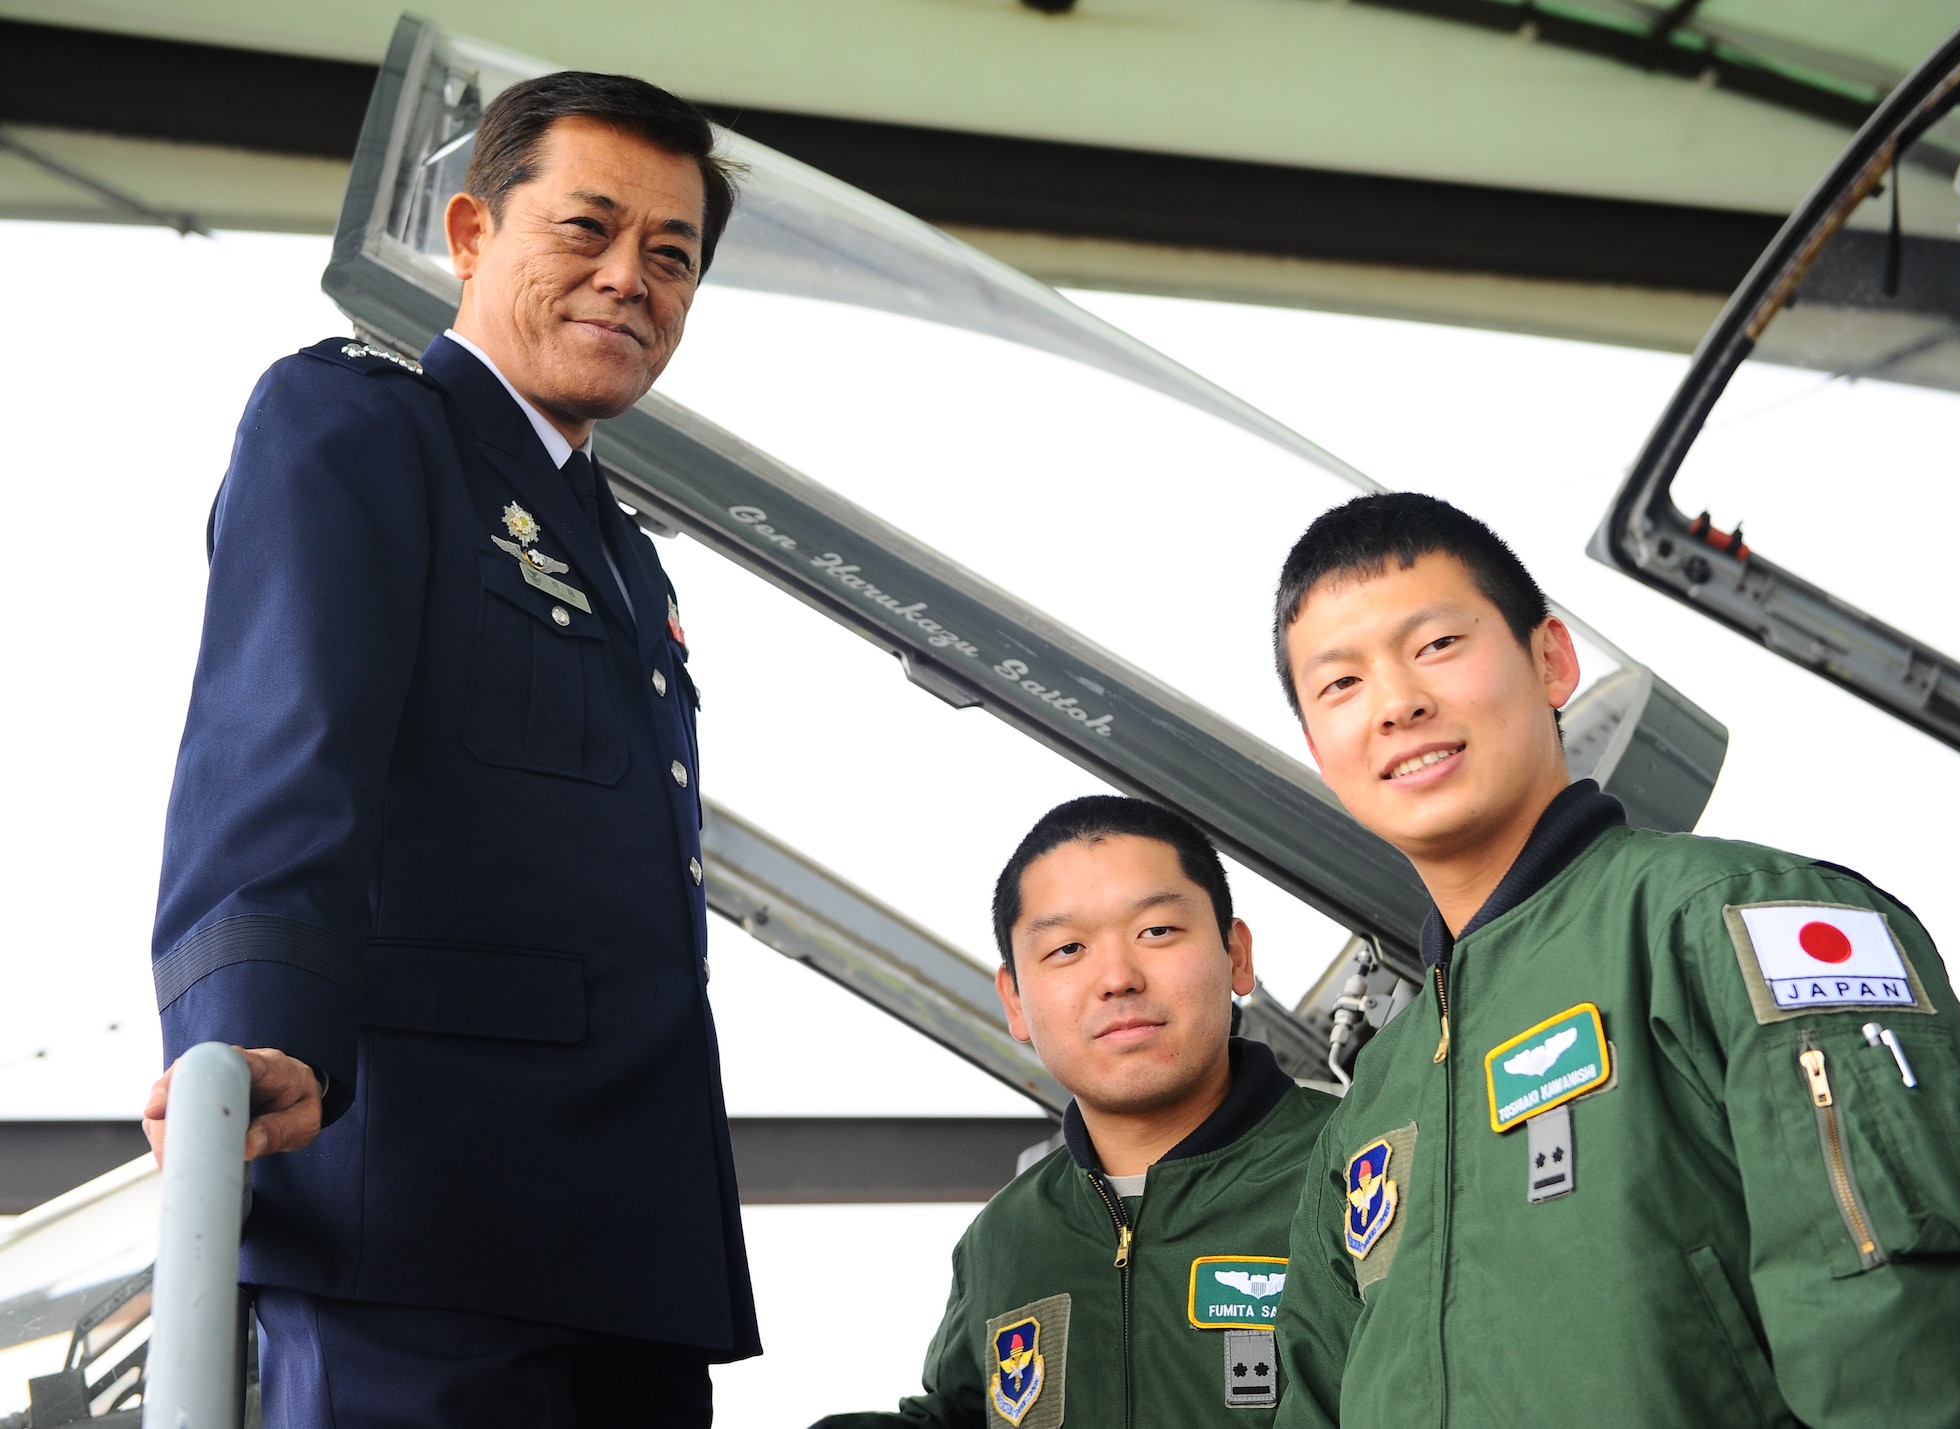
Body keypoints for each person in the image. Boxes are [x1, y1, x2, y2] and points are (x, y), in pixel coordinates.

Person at [143, 71, 756, 1426]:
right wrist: (254, 1035)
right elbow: (280, 740)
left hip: (626, 1244)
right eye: (585, 231)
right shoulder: (362, 429)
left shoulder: (619, 546)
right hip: (425, 1215)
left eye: (672, 255)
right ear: (472, 234)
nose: (629, 280)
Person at [1268, 492, 1960, 1427]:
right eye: (1340, 684)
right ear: (1320, 752)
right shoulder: (1374, 1097)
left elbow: (1912, 1347)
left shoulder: (1740, 926)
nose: (1398, 702)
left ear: (1551, 660)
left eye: (1437, 646)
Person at [815, 796, 1337, 1428]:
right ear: (1014, 1000)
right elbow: (963, 1415)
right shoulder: (1005, 1237)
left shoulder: (1356, 1166)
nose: (1117, 978)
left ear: (1238, 956)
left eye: (1157, 931)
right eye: (1066, 949)